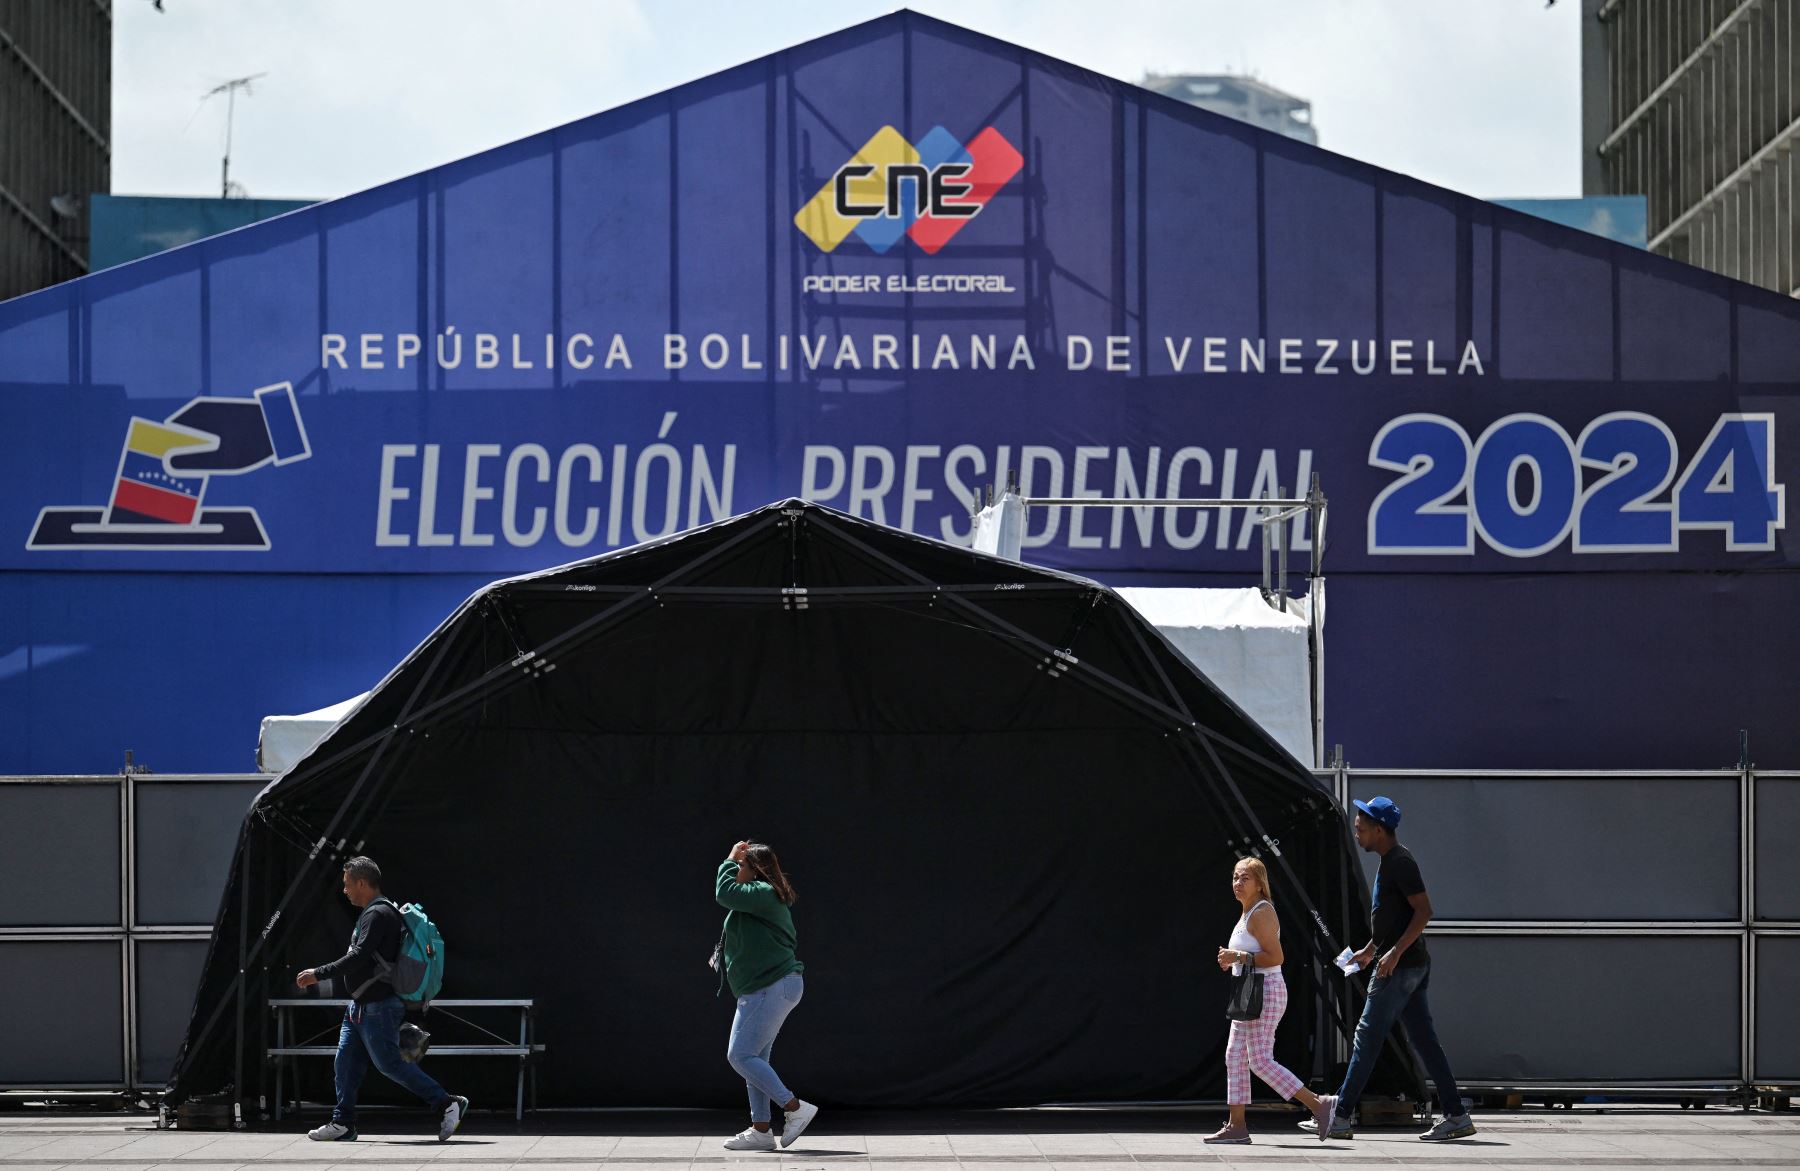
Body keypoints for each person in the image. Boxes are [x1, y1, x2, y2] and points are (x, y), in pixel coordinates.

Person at [1303, 796, 1474, 1142]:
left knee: (1367, 1038)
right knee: (1425, 1041)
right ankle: (1456, 1114)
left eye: (1361, 829)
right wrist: (1369, 951)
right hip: (1407, 965)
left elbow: (1424, 912)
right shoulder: (1390, 860)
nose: (1357, 834)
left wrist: (1392, 954)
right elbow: (1393, 919)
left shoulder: (1400, 862)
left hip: (1399, 969)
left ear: (1380, 830)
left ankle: (1339, 1116)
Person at [295, 856, 467, 1143]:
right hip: (360, 1008)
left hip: (378, 1007)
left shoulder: (378, 914)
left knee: (390, 1064)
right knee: (345, 1063)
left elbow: (360, 956)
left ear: (363, 883)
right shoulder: (374, 913)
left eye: (348, 884)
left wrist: (319, 973)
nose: (345, 890)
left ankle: (447, 1102)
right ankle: (343, 1123)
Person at [1203, 857, 1336, 1144]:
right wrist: (1232, 959)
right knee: (1235, 1057)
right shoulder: (1246, 912)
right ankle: (1236, 1126)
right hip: (1248, 990)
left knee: (1260, 1060)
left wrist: (1236, 956)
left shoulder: (1261, 912)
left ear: (1260, 884)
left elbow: (1276, 957)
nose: (1237, 883)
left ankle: (1318, 1104)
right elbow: (1249, 956)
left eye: (1245, 878)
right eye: (1235, 877)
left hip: (1265, 990)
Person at [715, 839, 819, 1151]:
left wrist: (728, 860)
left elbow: (724, 893)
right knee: (756, 1059)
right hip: (764, 988)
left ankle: (795, 1108)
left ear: (755, 870)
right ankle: (761, 1130)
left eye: (742, 866)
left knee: (740, 1055)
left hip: (770, 987)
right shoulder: (759, 897)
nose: (737, 871)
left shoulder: (762, 892)